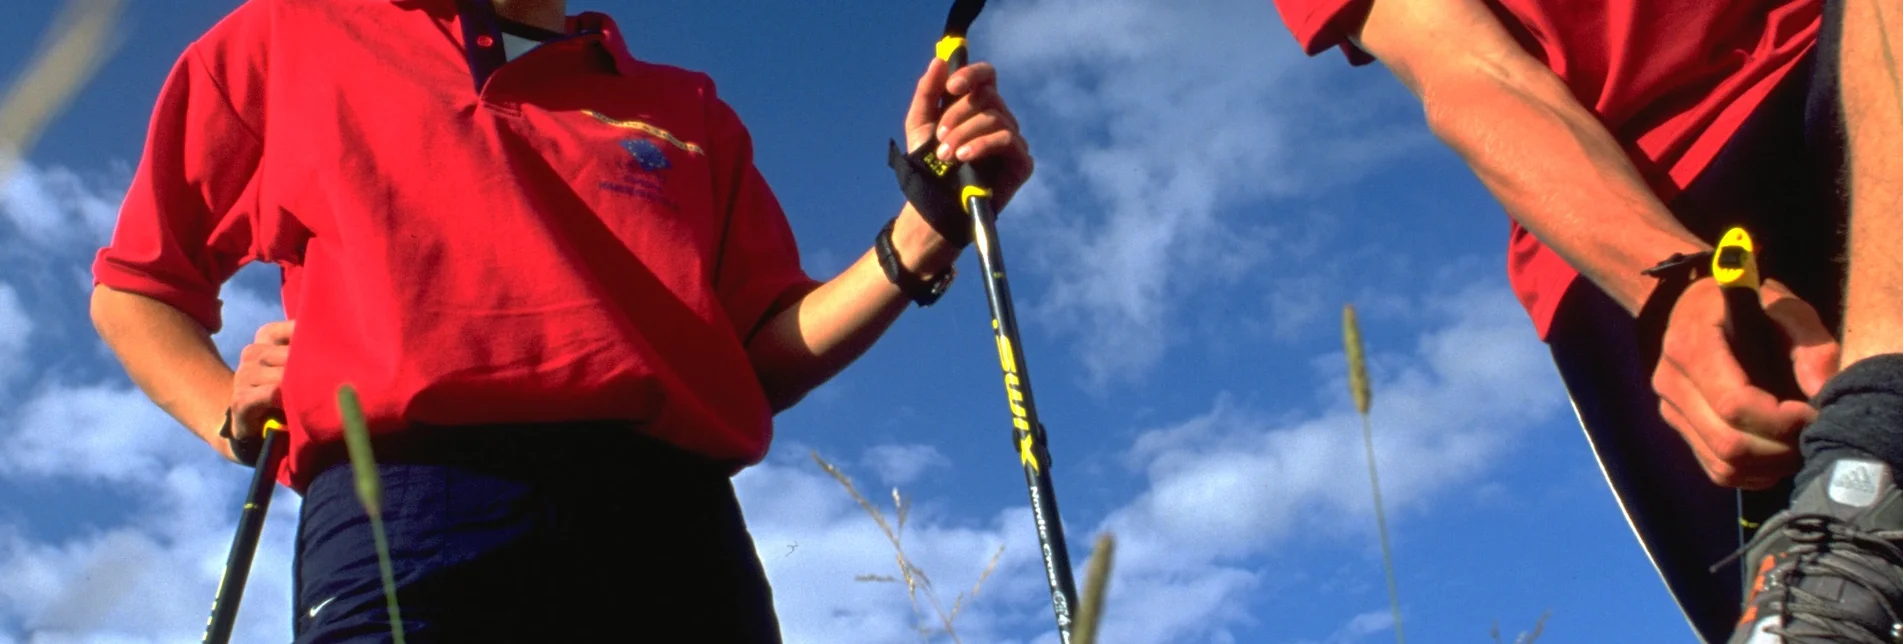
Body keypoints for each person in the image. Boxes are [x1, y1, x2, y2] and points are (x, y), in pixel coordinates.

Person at [87, 0, 1032, 641]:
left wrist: (926, 231)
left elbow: (757, 354)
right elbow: (139, 286)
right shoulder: (285, 37)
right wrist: (223, 409)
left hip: (668, 517)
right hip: (401, 501)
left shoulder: (688, 107)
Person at [1270, 1, 1903, 642]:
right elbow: (1469, 67)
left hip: (1855, 60)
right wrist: (1670, 284)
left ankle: (1870, 458)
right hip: (1632, 229)